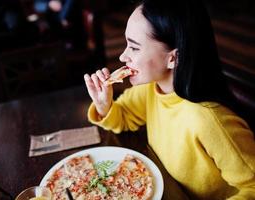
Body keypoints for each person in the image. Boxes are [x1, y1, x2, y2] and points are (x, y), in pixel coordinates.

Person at [84, 0, 255, 199]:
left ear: (173, 58)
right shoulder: (152, 88)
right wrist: (104, 105)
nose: (123, 56)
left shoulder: (209, 120)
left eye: (134, 48)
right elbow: (123, 117)